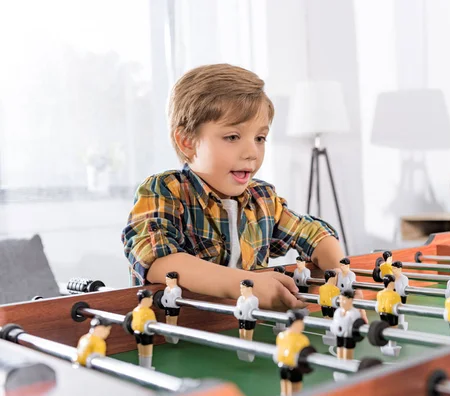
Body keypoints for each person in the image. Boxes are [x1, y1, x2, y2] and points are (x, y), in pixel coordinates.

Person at [121, 64, 344, 312]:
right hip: (172, 334)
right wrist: (248, 285)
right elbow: (160, 262)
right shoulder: (163, 191)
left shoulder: (263, 199)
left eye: (260, 138)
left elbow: (314, 233)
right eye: (232, 137)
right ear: (187, 142)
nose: (251, 153)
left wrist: (339, 273)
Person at [276, 310, 314, 396]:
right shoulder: (302, 339)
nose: (302, 325)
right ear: (295, 323)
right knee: (291, 388)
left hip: (288, 367)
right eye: (301, 322)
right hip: (291, 367)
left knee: (290, 388)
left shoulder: (282, 336)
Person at [131, 289, 157, 368]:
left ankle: (142, 366)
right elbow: (154, 323)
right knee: (147, 351)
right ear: (145, 299)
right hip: (146, 334)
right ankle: (147, 367)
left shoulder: (135, 310)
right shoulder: (149, 312)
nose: (151, 301)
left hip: (137, 333)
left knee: (141, 350)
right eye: (150, 299)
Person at [161, 271, 182, 343]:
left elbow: (175, 299)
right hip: (167, 306)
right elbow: (164, 297)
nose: (166, 281)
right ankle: (168, 335)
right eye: (166, 279)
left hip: (174, 308)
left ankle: (174, 337)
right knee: (167, 320)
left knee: (173, 321)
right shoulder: (166, 289)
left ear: (174, 280)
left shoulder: (177, 289)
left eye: (168, 280)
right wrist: (164, 303)